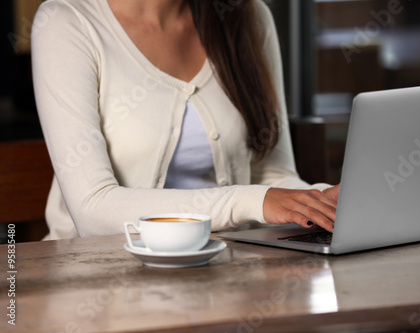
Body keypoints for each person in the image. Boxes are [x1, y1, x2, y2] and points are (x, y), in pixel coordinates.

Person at [31, 0, 339, 240]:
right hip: (93, 283)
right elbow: (93, 211)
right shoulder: (66, 22)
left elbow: (271, 176)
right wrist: (252, 201)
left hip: (225, 274)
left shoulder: (248, 16)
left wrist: (321, 202)